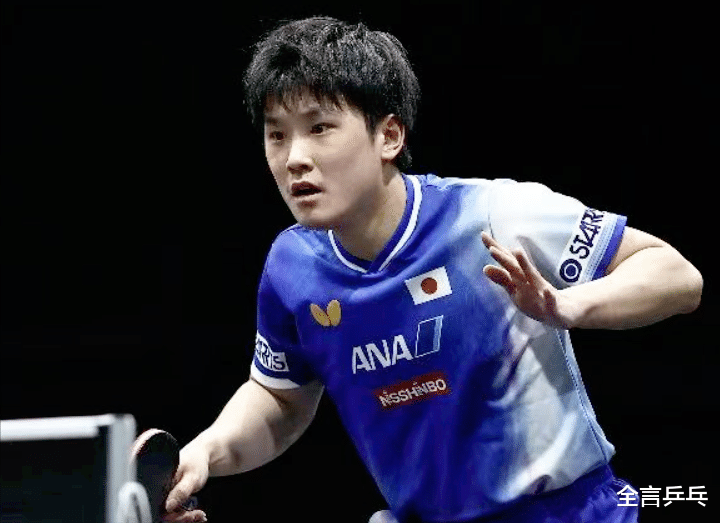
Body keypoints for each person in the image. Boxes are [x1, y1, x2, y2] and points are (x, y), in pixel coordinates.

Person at [163, 16, 703, 523]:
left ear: (388, 137)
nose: (293, 158)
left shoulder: (490, 216)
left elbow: (676, 276)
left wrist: (568, 305)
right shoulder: (292, 267)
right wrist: (207, 451)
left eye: (320, 127)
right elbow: (280, 397)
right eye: (277, 134)